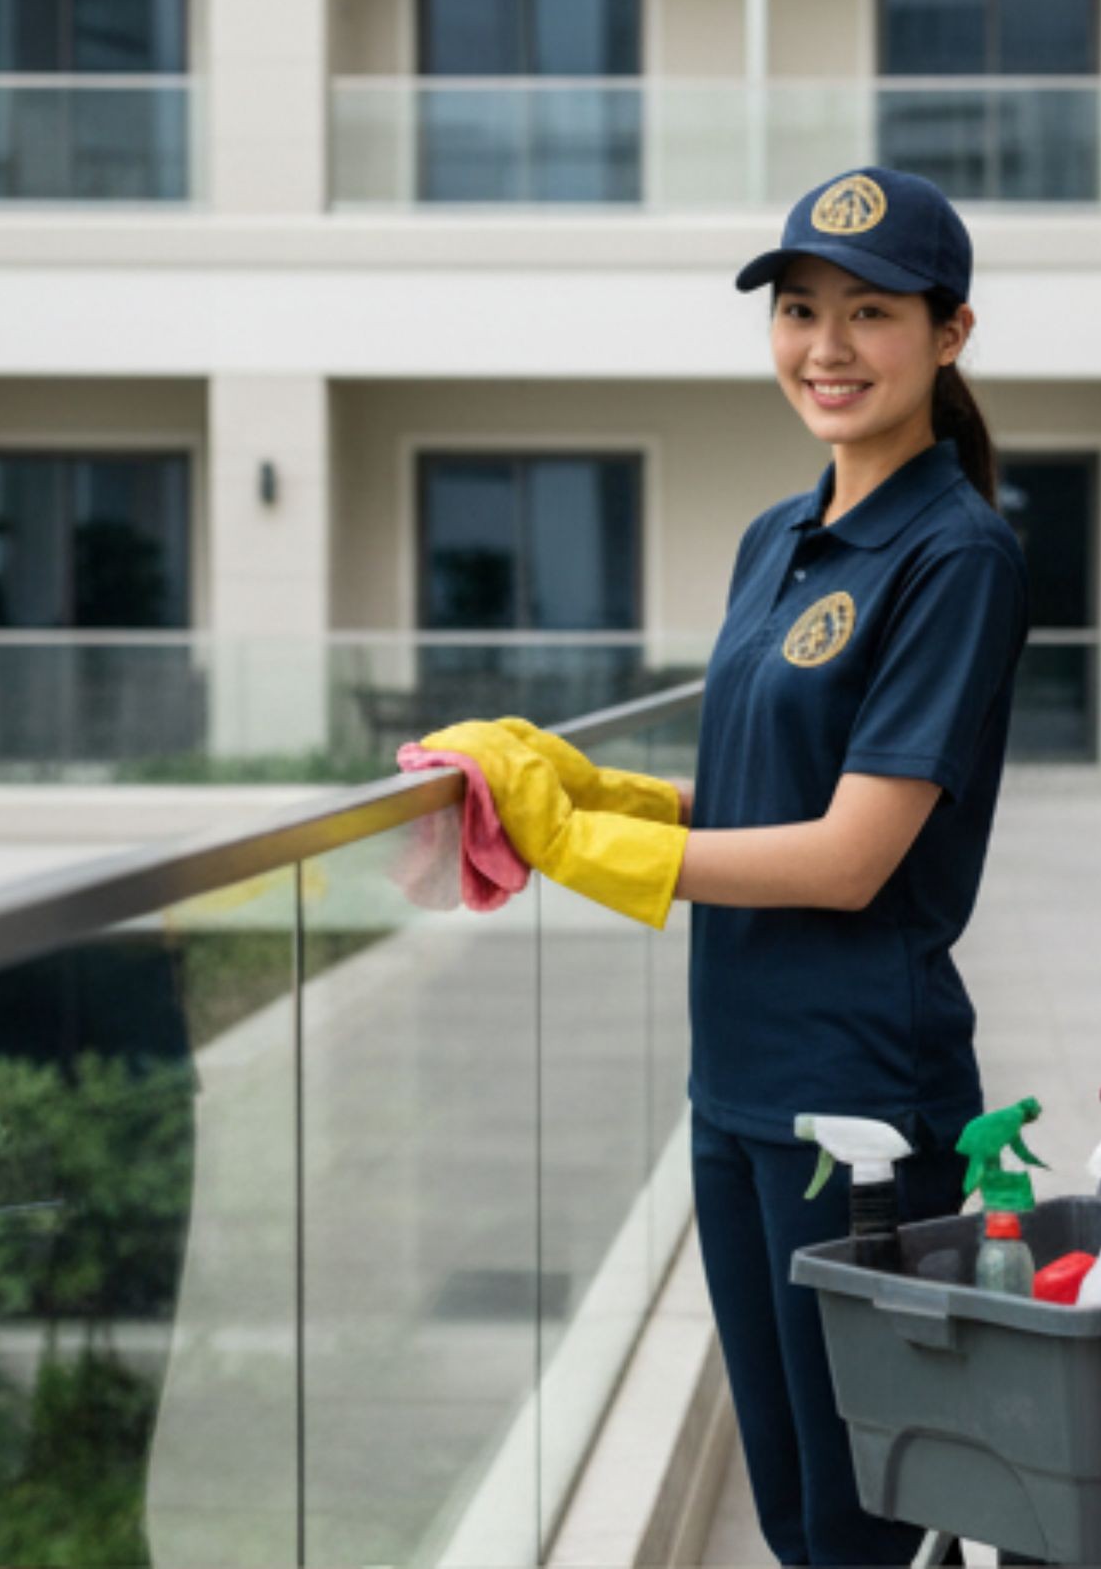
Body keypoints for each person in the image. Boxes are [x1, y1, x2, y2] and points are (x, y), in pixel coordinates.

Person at [420, 164, 1027, 1566]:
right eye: (800, 309)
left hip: (866, 1096)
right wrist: (585, 777)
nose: (826, 347)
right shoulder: (778, 537)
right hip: (737, 1085)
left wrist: (579, 845)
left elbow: (851, 856)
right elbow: (767, 789)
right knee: (796, 1508)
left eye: (871, 313)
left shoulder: (957, 555)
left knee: (875, 1525)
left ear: (950, 334)